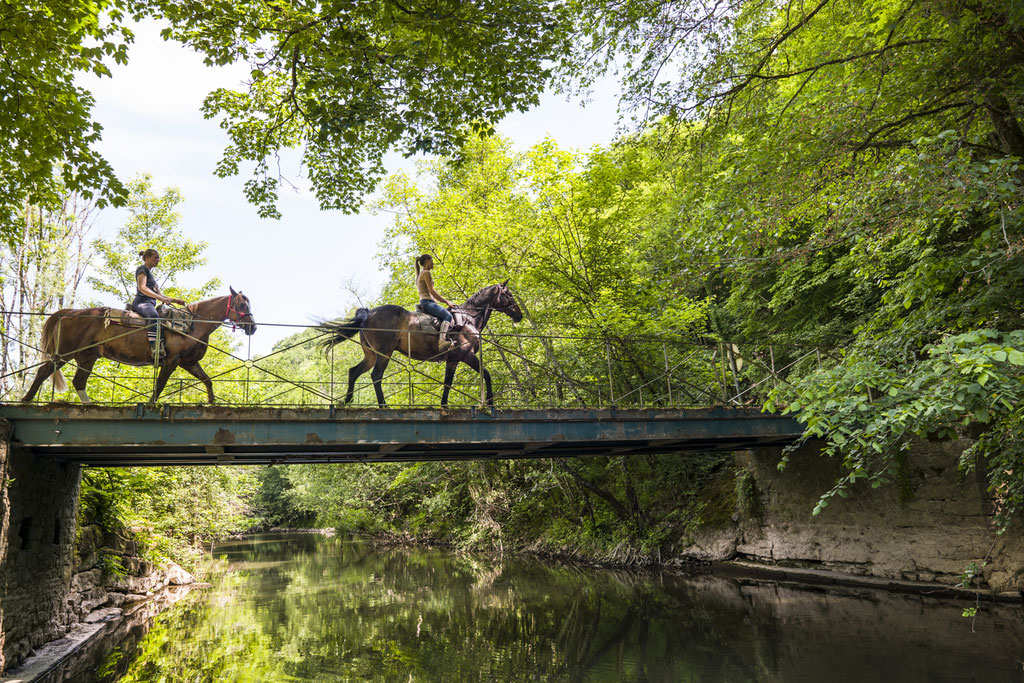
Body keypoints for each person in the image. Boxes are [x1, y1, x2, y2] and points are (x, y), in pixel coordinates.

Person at [132, 249, 186, 361]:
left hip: (150, 303)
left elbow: (159, 295)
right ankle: (155, 347)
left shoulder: (151, 275)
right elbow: (142, 288)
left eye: (158, 257)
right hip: (142, 302)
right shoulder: (142, 269)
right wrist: (161, 298)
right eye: (155, 257)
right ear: (147, 258)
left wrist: (175, 300)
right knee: (154, 316)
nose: (158, 260)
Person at [415, 254, 455, 352]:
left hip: (426, 302)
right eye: (432, 261)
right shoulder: (426, 273)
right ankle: (441, 341)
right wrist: (446, 302)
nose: (433, 263)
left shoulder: (420, 274)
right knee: (448, 316)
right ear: (427, 261)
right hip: (428, 303)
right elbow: (432, 291)